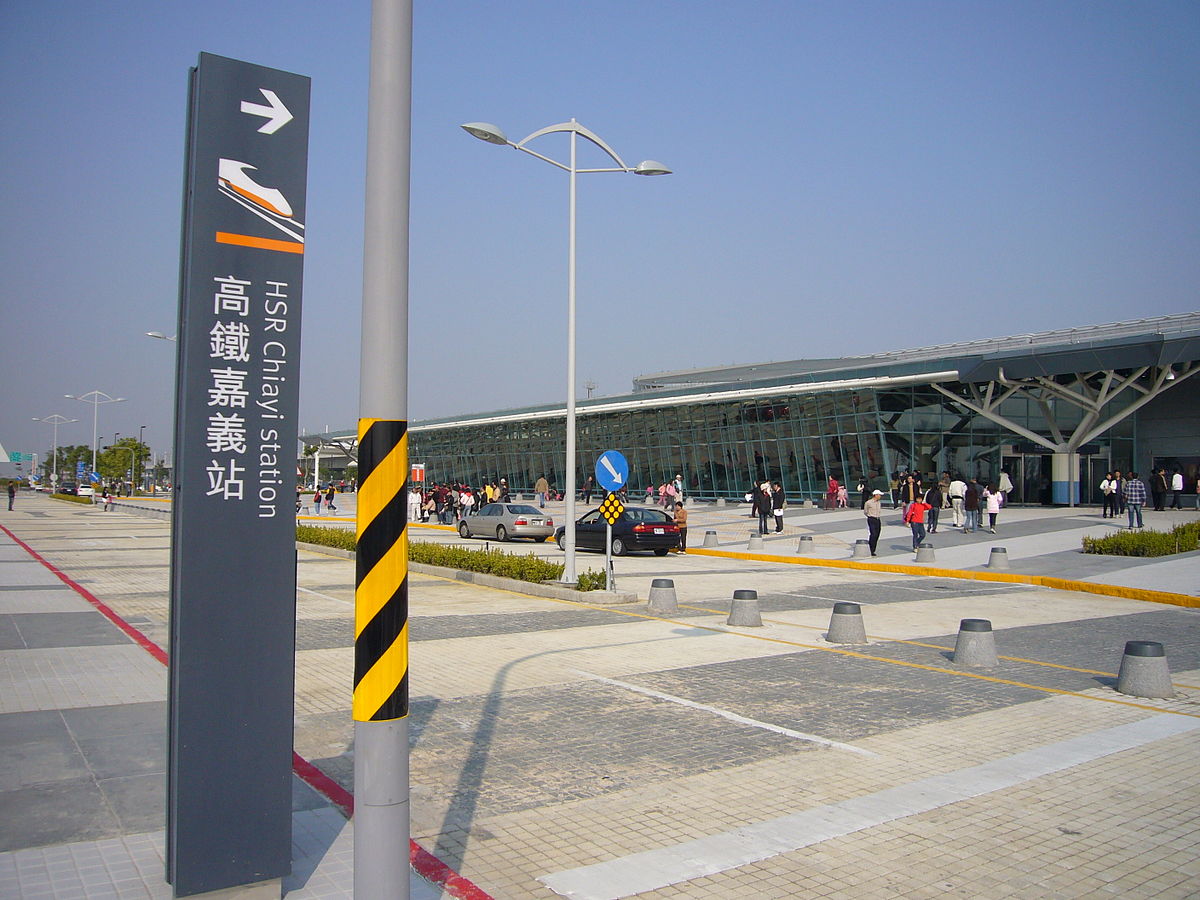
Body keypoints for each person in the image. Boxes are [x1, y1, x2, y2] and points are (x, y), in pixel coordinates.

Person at [864, 489, 883, 556]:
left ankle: (873, 550)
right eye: (879, 495)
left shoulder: (879, 502)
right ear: (875, 495)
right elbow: (865, 511)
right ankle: (870, 548)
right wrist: (870, 516)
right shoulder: (868, 503)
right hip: (871, 518)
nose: (880, 496)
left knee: (877, 534)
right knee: (873, 534)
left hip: (878, 519)